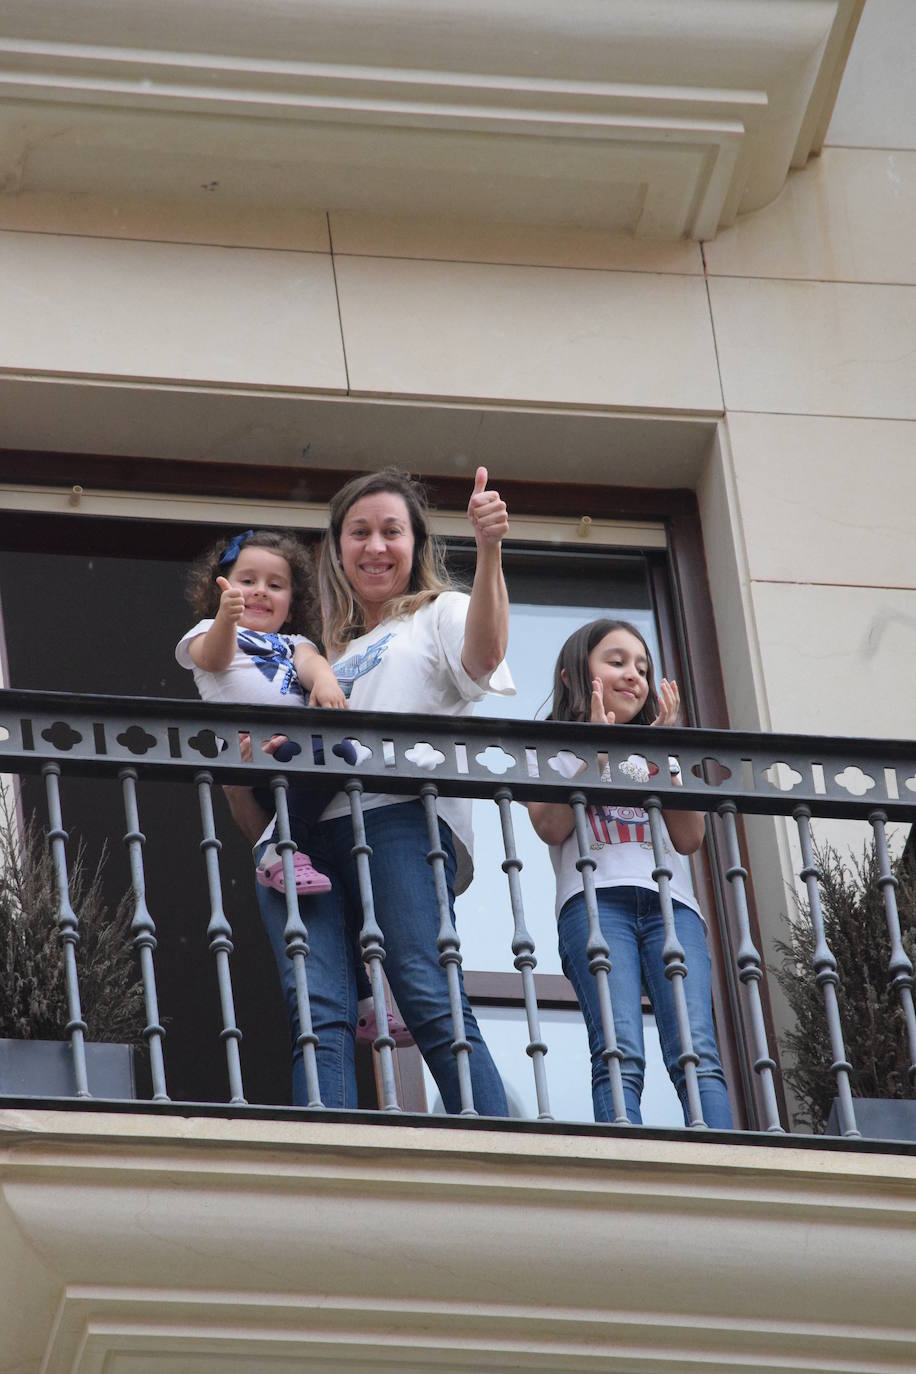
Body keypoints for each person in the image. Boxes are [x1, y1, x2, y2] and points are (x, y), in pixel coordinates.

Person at [228, 466, 514, 1114]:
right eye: (360, 532)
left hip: (396, 817)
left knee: (426, 990)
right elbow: (257, 818)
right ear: (338, 549)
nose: (376, 546)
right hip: (302, 839)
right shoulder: (316, 652)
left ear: (417, 544)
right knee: (318, 1011)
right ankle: (322, 1157)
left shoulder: (440, 614)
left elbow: (486, 655)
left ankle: (501, 1150)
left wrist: (490, 548)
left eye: (391, 531)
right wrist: (237, 768)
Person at [527, 619, 733, 1128]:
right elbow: (551, 826)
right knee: (619, 1051)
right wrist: (598, 749)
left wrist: (664, 758)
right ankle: (625, 1151)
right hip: (595, 905)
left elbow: (689, 838)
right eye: (616, 661)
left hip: (672, 908)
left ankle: (725, 1158)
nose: (633, 675)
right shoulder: (551, 749)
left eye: (642, 667)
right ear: (574, 675)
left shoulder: (658, 754)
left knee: (697, 1051)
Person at [176, 528, 354, 897]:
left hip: (296, 749)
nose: (260, 590)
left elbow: (312, 662)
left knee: (343, 751)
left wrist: (324, 681)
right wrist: (226, 619)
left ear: (292, 606)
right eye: (247, 580)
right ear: (220, 592)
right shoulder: (206, 632)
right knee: (321, 752)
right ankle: (282, 845)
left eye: (275, 585)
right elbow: (215, 658)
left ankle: (281, 842)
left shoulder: (294, 643)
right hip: (254, 753)